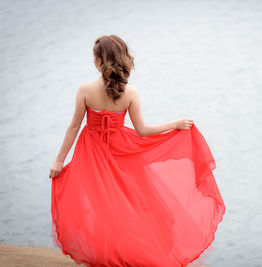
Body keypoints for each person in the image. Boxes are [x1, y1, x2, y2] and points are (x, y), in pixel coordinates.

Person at [48, 35, 225, 267]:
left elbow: (73, 127)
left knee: (100, 207)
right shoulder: (130, 93)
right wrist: (175, 124)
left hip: (91, 154)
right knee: (133, 206)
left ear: (99, 61)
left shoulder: (85, 90)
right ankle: (128, 254)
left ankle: (107, 256)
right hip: (122, 153)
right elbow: (142, 131)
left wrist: (59, 161)